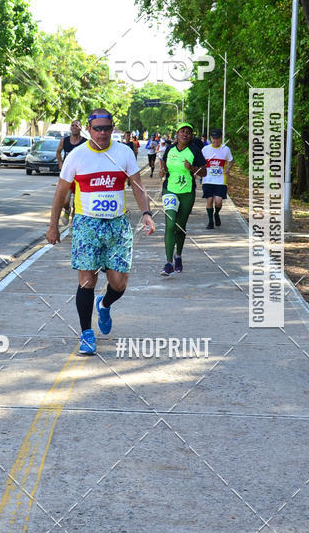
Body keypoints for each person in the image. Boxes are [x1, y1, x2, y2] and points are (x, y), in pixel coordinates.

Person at [46, 108, 155, 355]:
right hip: (87, 225)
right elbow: (60, 192)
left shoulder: (124, 152)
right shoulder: (77, 156)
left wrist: (146, 213)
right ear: (89, 129)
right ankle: (86, 333)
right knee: (87, 281)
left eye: (107, 128)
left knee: (119, 283)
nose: (103, 133)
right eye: (97, 129)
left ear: (112, 128)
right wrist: (53, 226)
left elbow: (137, 186)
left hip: (117, 225)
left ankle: (104, 304)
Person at [158, 122, 206, 276]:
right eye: (182, 131)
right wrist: (162, 170)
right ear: (177, 134)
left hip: (187, 192)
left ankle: (178, 255)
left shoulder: (195, 150)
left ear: (191, 136)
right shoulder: (170, 149)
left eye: (188, 132)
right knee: (170, 224)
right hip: (169, 190)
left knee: (180, 227)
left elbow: (204, 172)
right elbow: (165, 167)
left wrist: (192, 168)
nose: (185, 134)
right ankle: (168, 263)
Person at [202, 128, 233, 228]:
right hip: (208, 179)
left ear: (221, 138)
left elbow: (231, 160)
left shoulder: (225, 149)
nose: (215, 140)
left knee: (219, 202)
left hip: (220, 180)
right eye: (213, 138)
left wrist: (228, 168)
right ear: (211, 138)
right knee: (209, 200)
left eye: (217, 138)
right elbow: (200, 162)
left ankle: (216, 213)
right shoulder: (205, 149)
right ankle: (210, 221)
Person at [56, 120, 86, 221]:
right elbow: (58, 152)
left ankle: (74, 223)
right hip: (68, 174)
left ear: (81, 128)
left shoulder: (85, 142)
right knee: (65, 201)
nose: (74, 127)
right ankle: (67, 210)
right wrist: (60, 164)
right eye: (72, 125)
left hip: (80, 174)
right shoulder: (64, 140)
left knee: (76, 203)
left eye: (76, 126)